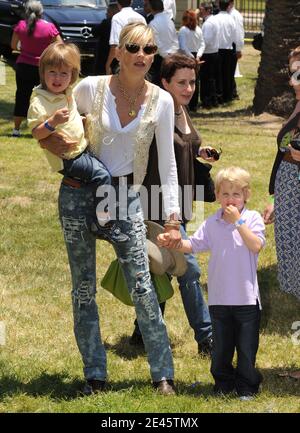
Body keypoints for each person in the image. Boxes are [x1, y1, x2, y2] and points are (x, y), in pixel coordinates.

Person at [39, 22, 182, 396]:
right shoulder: (90, 88)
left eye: (149, 49)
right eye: (133, 47)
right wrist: (51, 145)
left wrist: (172, 216)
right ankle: (95, 375)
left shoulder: (162, 100)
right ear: (117, 51)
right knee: (83, 288)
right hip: (78, 193)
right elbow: (54, 124)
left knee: (142, 285)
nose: (141, 56)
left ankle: (162, 374)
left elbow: (166, 161)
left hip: (123, 197)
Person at [130, 53, 214, 356]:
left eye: (192, 82)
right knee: (188, 271)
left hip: (182, 206)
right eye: (182, 82)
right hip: (159, 206)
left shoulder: (182, 111)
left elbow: (182, 150)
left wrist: (200, 153)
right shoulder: (154, 115)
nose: (189, 88)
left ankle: (143, 331)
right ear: (164, 82)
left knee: (162, 269)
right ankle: (207, 338)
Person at [159, 167, 266, 399]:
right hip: (219, 299)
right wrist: (174, 242)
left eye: (236, 194)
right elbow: (194, 245)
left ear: (246, 195)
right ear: (217, 195)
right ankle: (223, 384)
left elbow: (256, 245)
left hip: (246, 300)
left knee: (246, 349)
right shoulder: (212, 222)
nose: (230, 200)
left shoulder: (252, 218)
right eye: (225, 194)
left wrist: (238, 223)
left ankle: (247, 385)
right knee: (221, 349)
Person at [27, 42, 127, 243]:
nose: (58, 78)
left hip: (80, 151)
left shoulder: (67, 93)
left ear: (72, 76)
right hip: (68, 158)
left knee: (104, 173)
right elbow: (36, 133)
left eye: (64, 74)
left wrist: (80, 121)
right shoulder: (40, 101)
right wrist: (52, 122)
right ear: (43, 72)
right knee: (103, 176)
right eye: (52, 72)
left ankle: (100, 215)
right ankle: (103, 223)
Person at [263, 46, 300, 380]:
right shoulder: (298, 105)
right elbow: (284, 154)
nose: (295, 78)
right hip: (291, 197)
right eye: (293, 72)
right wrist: (279, 199)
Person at [10, 0, 62, 137]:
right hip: (42, 69)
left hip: (23, 66)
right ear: (41, 12)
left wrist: (25, 49)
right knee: (46, 97)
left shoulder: (21, 25)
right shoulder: (49, 27)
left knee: (22, 95)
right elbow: (60, 46)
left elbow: (13, 45)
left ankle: (16, 129)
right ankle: (46, 127)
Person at [105, 0, 146, 74]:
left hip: (124, 59)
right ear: (131, 2)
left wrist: (109, 63)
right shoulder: (141, 18)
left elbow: (115, 44)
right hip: (139, 57)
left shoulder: (117, 18)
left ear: (118, 3)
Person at [178, 10, 205, 112]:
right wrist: (198, 56)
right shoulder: (198, 29)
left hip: (187, 56)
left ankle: (188, 104)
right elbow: (202, 44)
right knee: (195, 80)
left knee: (186, 80)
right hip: (196, 55)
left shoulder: (183, 30)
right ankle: (194, 104)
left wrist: (192, 57)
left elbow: (183, 47)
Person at [147, 0, 179, 86]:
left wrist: (167, 56)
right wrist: (173, 54)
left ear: (151, 8)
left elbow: (157, 44)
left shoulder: (153, 23)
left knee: (159, 84)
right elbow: (175, 40)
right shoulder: (170, 21)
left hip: (160, 59)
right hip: (172, 55)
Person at [199, 2, 220, 109]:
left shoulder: (208, 24)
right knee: (211, 78)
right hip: (214, 52)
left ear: (207, 10)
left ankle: (207, 101)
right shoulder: (214, 20)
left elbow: (205, 41)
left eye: (201, 10)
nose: (200, 12)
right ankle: (213, 100)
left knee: (206, 79)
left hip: (208, 53)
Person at [94, 1, 119, 75]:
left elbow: (94, 31)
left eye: (108, 11)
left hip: (104, 54)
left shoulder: (106, 22)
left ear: (113, 12)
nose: (106, 13)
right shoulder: (120, 22)